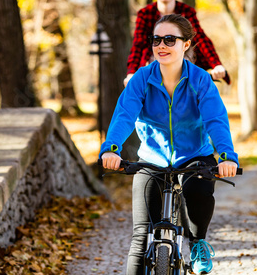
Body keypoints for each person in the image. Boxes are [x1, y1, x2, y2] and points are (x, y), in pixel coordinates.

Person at [100, 14, 239, 274]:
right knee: (141, 236)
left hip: (195, 155)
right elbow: (124, 116)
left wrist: (227, 156)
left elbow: (215, 121)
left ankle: (198, 243)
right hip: (152, 158)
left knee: (198, 192)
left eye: (169, 39)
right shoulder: (142, 79)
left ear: (185, 44)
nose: (161, 45)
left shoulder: (200, 80)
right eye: (156, 40)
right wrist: (111, 148)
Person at [124, 0, 229, 87]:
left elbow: (201, 39)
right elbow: (138, 45)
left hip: (184, 66)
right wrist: (131, 72)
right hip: (155, 65)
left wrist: (216, 64)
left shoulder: (186, 12)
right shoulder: (145, 14)